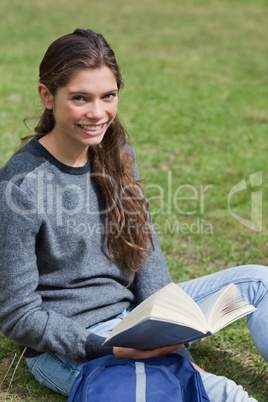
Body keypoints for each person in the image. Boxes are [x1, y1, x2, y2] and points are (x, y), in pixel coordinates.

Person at [0, 29, 267, 401]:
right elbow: (17, 315)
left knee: (260, 281)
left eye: (108, 96)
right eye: (80, 98)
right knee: (223, 394)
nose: (97, 113)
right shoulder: (20, 185)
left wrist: (171, 326)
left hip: (137, 321)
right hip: (72, 343)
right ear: (47, 96)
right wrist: (108, 347)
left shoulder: (118, 151)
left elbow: (143, 247)